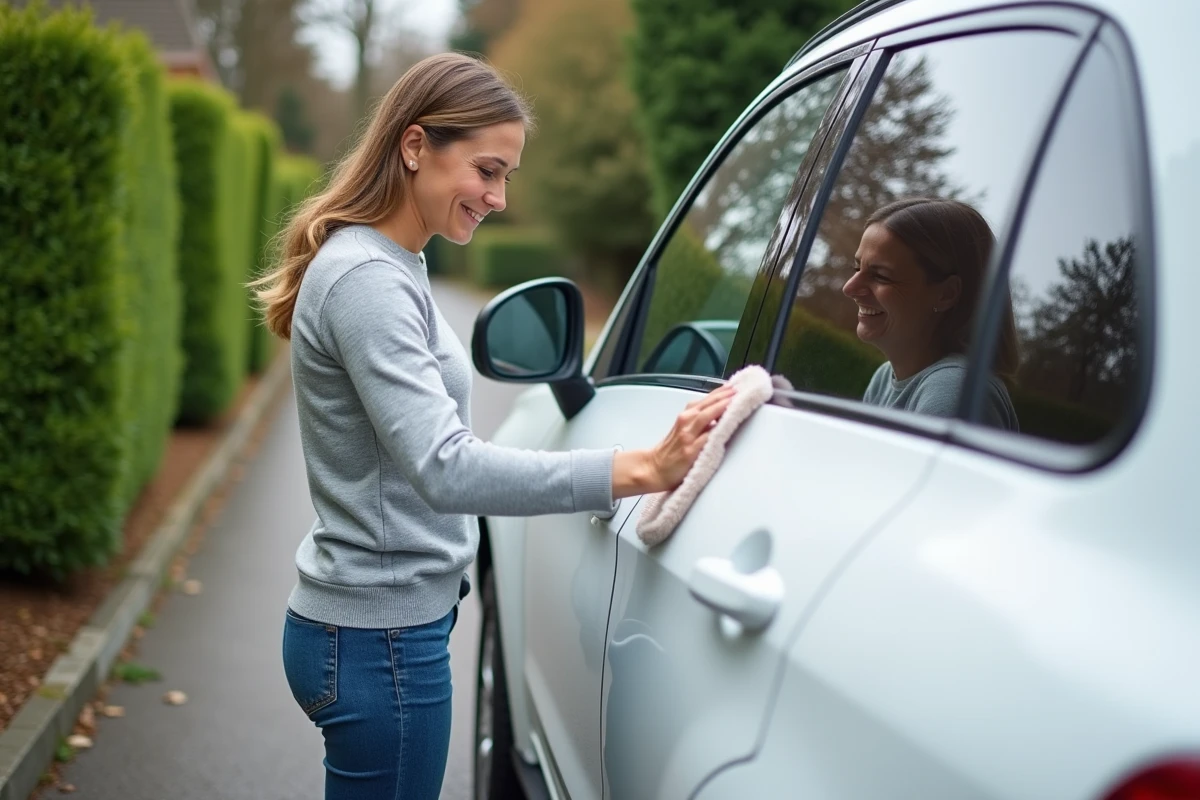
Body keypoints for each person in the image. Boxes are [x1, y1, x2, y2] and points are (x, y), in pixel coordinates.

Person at [251, 53, 734, 800]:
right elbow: (447, 468)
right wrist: (638, 469)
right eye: (486, 169)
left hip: (376, 631)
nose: (499, 196)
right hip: (379, 640)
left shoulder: (390, 263)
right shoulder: (368, 281)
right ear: (415, 147)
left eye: (505, 175)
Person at [842, 197, 1019, 430]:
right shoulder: (884, 378)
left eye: (881, 276)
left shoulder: (952, 389)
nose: (849, 288)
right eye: (857, 268)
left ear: (946, 294)